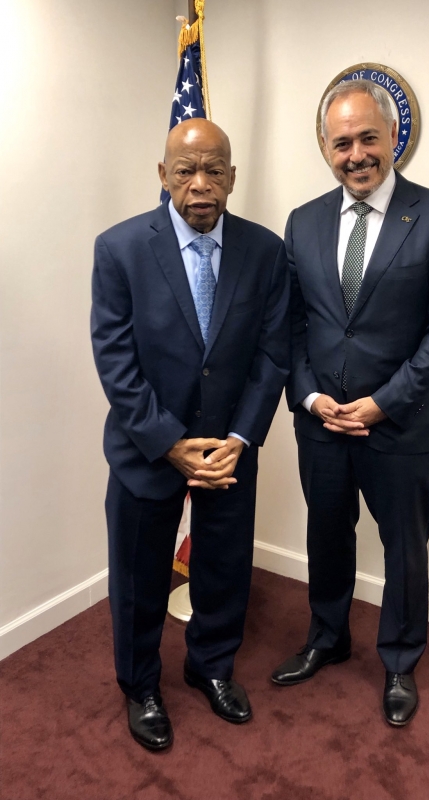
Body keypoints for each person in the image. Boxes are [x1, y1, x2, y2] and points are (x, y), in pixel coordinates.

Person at [271, 80, 429, 726]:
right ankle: (328, 638)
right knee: (327, 535)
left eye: (367, 138)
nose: (355, 154)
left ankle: (399, 659)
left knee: (404, 546)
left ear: (393, 138)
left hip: (400, 425)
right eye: (341, 143)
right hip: (322, 423)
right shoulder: (302, 222)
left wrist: (382, 404)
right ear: (325, 149)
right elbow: (294, 324)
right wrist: (308, 397)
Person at [91, 118, 289, 750]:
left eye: (214, 170)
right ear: (163, 175)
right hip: (148, 450)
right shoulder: (119, 248)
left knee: (225, 569)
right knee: (139, 577)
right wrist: (168, 442)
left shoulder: (265, 250)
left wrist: (242, 437)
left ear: (233, 176)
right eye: (185, 171)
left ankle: (211, 666)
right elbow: (114, 359)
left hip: (230, 448)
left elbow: (273, 353)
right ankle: (140, 685)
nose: (200, 185)